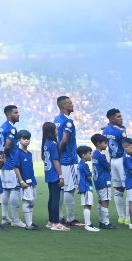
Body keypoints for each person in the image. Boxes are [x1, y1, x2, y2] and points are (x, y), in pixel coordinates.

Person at [54, 96, 81, 228]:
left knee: (61, 190)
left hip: (61, 161)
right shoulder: (68, 121)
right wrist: (58, 154)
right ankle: (71, 218)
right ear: (64, 106)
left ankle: (59, 217)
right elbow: (64, 140)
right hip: (68, 159)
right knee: (69, 189)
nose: (72, 104)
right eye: (70, 103)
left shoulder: (56, 120)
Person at [102, 108, 129, 226]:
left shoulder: (106, 130)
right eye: (118, 117)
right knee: (128, 188)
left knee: (118, 189)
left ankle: (121, 217)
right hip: (121, 159)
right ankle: (129, 217)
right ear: (112, 119)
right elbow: (126, 143)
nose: (121, 118)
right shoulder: (120, 130)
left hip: (112, 160)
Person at [0, 105, 23, 227]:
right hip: (12, 164)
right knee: (14, 189)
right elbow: (7, 145)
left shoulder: (2, 127)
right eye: (16, 112)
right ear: (9, 115)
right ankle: (15, 219)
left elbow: (0, 144)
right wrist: (4, 155)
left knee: (6, 190)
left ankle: (4, 217)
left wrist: (0, 157)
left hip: (4, 165)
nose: (18, 114)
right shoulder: (12, 129)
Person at [41, 122, 67, 231]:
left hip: (48, 173)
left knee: (52, 198)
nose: (57, 131)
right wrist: (61, 175)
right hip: (54, 174)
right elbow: (56, 161)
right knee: (55, 199)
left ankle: (51, 221)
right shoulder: (53, 143)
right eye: (56, 129)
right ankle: (56, 223)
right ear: (52, 131)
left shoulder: (45, 143)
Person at [90, 134, 115, 230]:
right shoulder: (101, 155)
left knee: (100, 201)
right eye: (105, 143)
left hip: (97, 181)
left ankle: (101, 221)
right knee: (105, 201)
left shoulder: (94, 154)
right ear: (98, 144)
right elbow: (108, 167)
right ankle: (106, 222)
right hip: (104, 180)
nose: (106, 145)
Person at [17, 130, 39, 230]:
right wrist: (21, 181)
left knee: (32, 201)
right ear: (19, 140)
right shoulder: (18, 153)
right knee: (27, 201)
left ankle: (30, 222)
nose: (26, 140)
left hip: (32, 181)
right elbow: (16, 167)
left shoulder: (29, 154)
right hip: (25, 182)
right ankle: (28, 224)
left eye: (28, 138)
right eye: (24, 138)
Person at [75, 146, 99, 232]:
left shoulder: (79, 164)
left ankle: (89, 224)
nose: (91, 155)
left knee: (87, 205)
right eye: (89, 153)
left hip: (83, 187)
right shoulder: (84, 165)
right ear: (83, 155)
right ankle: (88, 224)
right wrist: (91, 173)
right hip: (86, 187)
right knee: (87, 205)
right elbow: (89, 176)